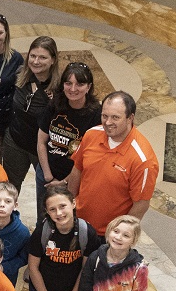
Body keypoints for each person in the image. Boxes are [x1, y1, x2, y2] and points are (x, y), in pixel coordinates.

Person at [65, 91, 157, 237]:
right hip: (77, 223)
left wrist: (118, 236)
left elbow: (140, 205)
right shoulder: (91, 134)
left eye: (115, 117)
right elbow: (77, 170)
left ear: (130, 118)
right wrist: (68, 209)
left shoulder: (143, 160)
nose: (108, 122)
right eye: (104, 116)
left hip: (106, 235)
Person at [27, 183, 97, 291]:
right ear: (47, 212)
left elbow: (85, 270)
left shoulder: (87, 232)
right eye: (52, 209)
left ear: (73, 203)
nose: (59, 213)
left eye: (63, 206)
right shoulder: (42, 231)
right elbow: (33, 268)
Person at [36, 61, 100, 219]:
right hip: (46, 174)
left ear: (89, 87)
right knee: (43, 219)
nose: (73, 89)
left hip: (73, 179)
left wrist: (63, 182)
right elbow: (41, 142)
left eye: (79, 84)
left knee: (66, 220)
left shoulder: (96, 115)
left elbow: (89, 158)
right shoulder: (55, 105)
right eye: (68, 83)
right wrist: (48, 177)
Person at [3, 36, 58, 191]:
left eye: (42, 57)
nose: (36, 61)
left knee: (46, 194)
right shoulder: (21, 75)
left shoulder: (60, 87)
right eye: (33, 56)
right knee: (9, 189)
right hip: (14, 141)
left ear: (53, 60)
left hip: (41, 149)